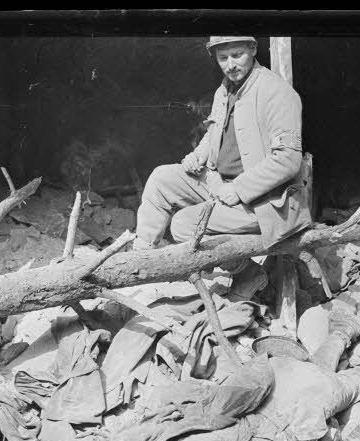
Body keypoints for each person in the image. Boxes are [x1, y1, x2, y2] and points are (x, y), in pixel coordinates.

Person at [133, 36, 311, 299]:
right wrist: (198, 155)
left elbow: (288, 159)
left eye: (237, 55)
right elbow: (216, 132)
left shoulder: (278, 93)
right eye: (222, 58)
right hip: (221, 184)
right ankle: (140, 261)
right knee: (161, 178)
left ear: (253, 49)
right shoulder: (225, 89)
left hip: (267, 201)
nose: (230, 65)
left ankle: (247, 272)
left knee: (183, 225)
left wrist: (239, 189)